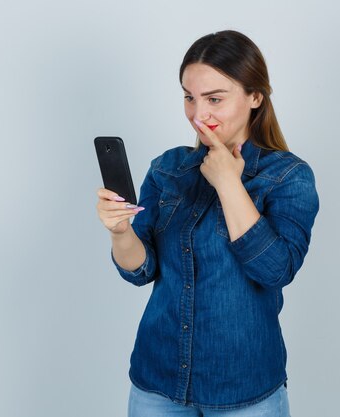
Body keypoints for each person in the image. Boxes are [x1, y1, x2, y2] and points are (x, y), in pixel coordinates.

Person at [96, 30, 320, 417]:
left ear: (255, 97)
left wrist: (229, 182)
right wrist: (120, 233)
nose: (199, 114)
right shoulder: (168, 168)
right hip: (158, 381)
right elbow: (141, 270)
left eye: (215, 98)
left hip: (244, 388)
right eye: (189, 97)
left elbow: (276, 270)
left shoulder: (288, 176)